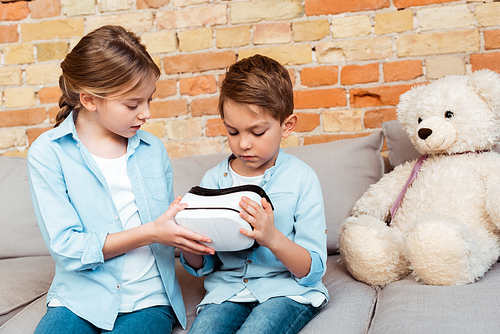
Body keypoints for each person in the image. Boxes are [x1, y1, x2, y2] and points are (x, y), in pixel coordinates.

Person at [27, 25, 214, 334]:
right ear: (89, 100)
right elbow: (68, 248)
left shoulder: (153, 150)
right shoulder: (49, 153)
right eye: (132, 104)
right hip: (79, 299)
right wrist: (151, 233)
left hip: (148, 300)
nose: (146, 114)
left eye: (149, 100)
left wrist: (190, 234)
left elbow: (169, 236)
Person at [181, 54, 329, 334]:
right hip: (226, 294)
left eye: (257, 132)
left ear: (287, 125)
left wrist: (272, 237)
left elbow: (312, 270)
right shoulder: (213, 179)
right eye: (233, 131)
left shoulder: (302, 179)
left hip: (285, 291)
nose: (244, 144)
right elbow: (206, 265)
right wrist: (190, 245)